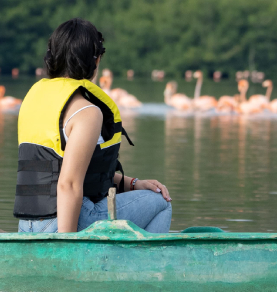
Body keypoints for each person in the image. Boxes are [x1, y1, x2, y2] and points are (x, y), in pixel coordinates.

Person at [16, 18, 172, 234]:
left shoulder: (34, 98)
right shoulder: (87, 112)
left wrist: (134, 183)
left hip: (28, 224)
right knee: (160, 202)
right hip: (65, 222)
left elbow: (71, 172)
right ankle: (142, 266)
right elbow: (68, 184)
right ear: (96, 61)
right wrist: (68, 248)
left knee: (145, 195)